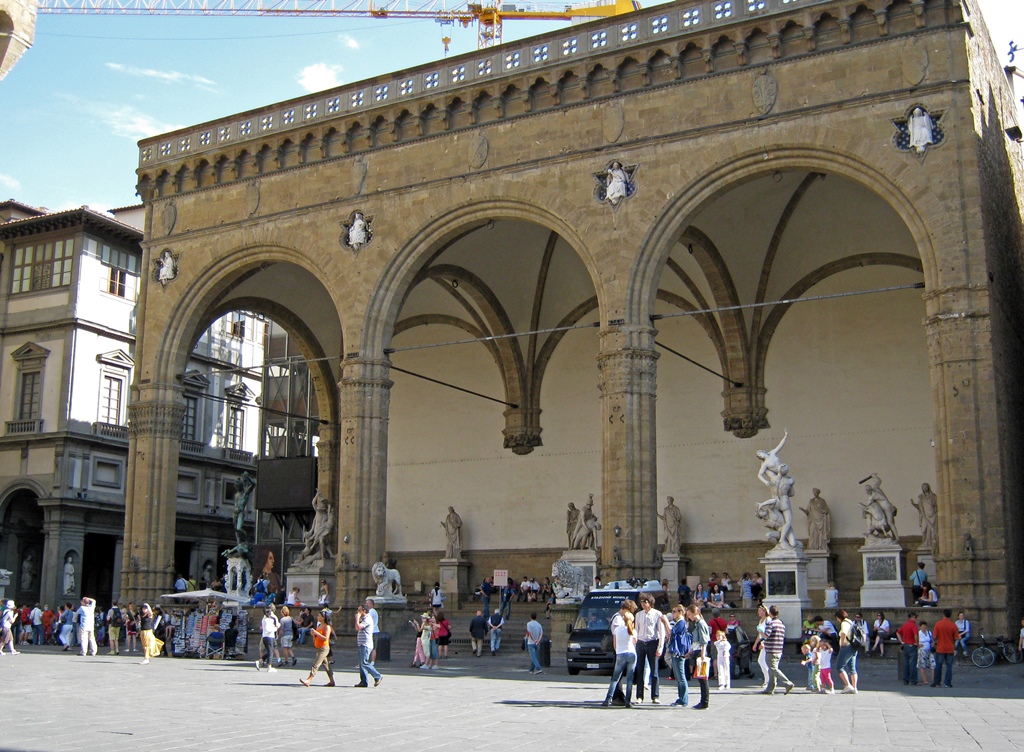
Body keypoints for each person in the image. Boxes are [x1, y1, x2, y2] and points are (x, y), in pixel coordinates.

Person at [633, 592, 669, 704]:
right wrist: (635, 644)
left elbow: (661, 632)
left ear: (650, 603)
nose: (643, 604)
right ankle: (639, 696)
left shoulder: (657, 614)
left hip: (652, 643)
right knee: (639, 670)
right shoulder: (638, 615)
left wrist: (660, 647)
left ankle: (655, 696)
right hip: (641, 643)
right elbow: (636, 630)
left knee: (654, 671)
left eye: (645, 602)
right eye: (642, 602)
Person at [602, 600, 637, 708]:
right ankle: (627, 702)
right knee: (629, 679)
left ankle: (608, 699)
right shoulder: (632, 630)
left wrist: (618, 652)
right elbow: (635, 642)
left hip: (620, 653)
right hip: (631, 653)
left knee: (615, 678)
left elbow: (615, 642)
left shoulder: (618, 629)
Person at [761, 604, 795, 695]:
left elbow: (766, 635)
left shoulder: (771, 624)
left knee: (773, 668)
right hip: (779, 650)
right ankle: (770, 688)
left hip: (771, 649)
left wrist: (760, 631)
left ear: (770, 613)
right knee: (772, 669)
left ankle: (787, 683)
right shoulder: (781, 624)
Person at [299, 610, 336, 687]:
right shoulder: (319, 626)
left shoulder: (327, 627)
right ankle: (332, 681)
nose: (317, 617)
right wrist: (313, 635)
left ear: (323, 617)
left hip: (324, 648)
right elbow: (317, 636)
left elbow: (325, 638)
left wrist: (316, 633)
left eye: (319, 616)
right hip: (319, 647)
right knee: (326, 665)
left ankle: (309, 679)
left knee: (316, 664)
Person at [685, 603, 711, 710]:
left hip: (701, 652)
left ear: (695, 613)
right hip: (697, 651)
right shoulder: (697, 623)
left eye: (690, 614)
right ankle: (703, 701)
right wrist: (690, 652)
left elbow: (704, 641)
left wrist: (702, 655)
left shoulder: (701, 624)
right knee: (701, 678)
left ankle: (704, 702)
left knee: (703, 678)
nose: (689, 616)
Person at [667, 604, 691, 707]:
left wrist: (664, 622)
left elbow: (671, 632)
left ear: (680, 612)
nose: (673, 613)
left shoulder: (681, 622)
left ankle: (684, 699)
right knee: (678, 676)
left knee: (681, 676)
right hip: (678, 651)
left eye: (674, 611)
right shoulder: (680, 622)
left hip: (679, 652)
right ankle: (681, 698)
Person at [355, 604, 383, 687]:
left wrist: (357, 618)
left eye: (359, 610)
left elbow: (358, 627)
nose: (358, 612)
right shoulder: (363, 618)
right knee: (361, 664)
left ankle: (377, 676)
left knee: (364, 662)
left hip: (366, 644)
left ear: (364, 611)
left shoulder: (367, 618)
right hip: (361, 643)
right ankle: (364, 681)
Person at [834, 609, 860, 694]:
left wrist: (842, 642)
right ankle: (854, 687)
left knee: (839, 666)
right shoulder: (851, 622)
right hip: (853, 646)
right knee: (852, 668)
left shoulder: (844, 623)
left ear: (838, 617)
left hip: (847, 646)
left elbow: (843, 633)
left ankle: (848, 685)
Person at [931, 609, 958, 688]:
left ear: (943, 614)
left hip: (940, 647)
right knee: (949, 666)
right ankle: (948, 683)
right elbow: (956, 637)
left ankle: (937, 682)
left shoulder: (938, 624)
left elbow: (935, 636)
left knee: (938, 665)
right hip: (950, 648)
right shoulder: (953, 625)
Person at [896, 612, 920, 685]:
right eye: (915, 617)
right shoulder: (914, 626)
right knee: (913, 664)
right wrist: (917, 643)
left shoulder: (905, 625)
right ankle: (914, 680)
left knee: (906, 663)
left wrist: (901, 641)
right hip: (912, 645)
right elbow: (915, 634)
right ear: (911, 617)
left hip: (906, 645)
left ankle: (905, 680)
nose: (916, 619)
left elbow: (898, 632)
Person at [255, 605, 280, 672]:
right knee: (270, 652)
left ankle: (260, 661)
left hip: (265, 636)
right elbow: (269, 629)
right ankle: (269, 667)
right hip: (269, 636)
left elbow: (263, 627)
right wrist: (276, 628)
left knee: (270, 651)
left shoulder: (264, 619)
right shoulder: (268, 620)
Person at [752, 603, 770, 689]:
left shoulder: (768, 620)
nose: (758, 612)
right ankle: (767, 679)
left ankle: (768, 680)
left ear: (764, 611)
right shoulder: (761, 621)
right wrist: (755, 643)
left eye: (760, 610)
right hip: (762, 642)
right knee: (761, 660)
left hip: (767, 643)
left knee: (763, 661)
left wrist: (763, 643)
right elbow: (759, 634)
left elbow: (768, 633)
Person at [917, 619, 935, 685]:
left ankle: (934, 679)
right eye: (922, 626)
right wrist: (918, 644)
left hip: (929, 650)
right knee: (922, 664)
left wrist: (933, 643)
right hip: (922, 650)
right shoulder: (919, 633)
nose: (924, 627)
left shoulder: (929, 633)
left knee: (933, 664)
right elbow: (916, 641)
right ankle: (925, 679)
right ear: (920, 627)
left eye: (925, 626)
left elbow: (932, 640)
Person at [365, 598, 380, 663]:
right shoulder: (375, 611)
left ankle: (367, 661)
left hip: (371, 631)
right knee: (374, 647)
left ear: (371, 604)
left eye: (367, 603)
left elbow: (367, 621)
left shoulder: (371, 611)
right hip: (375, 630)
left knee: (369, 647)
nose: (366, 604)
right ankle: (372, 662)